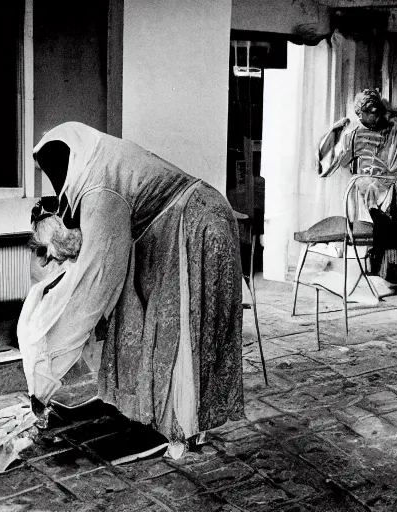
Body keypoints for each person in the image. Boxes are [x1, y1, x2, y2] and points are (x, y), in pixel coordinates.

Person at [17, 122, 244, 458]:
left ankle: (183, 428)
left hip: (197, 223)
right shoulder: (91, 173)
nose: (49, 259)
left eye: (46, 250)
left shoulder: (100, 189)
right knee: (152, 322)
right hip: (175, 225)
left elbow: (91, 290)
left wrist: (44, 380)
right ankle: (157, 416)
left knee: (180, 329)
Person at [317, 88, 397, 222]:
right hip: (361, 190)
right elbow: (337, 162)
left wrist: (396, 186)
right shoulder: (352, 133)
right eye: (367, 112)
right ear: (359, 114)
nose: (373, 115)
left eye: (376, 110)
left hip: (392, 190)